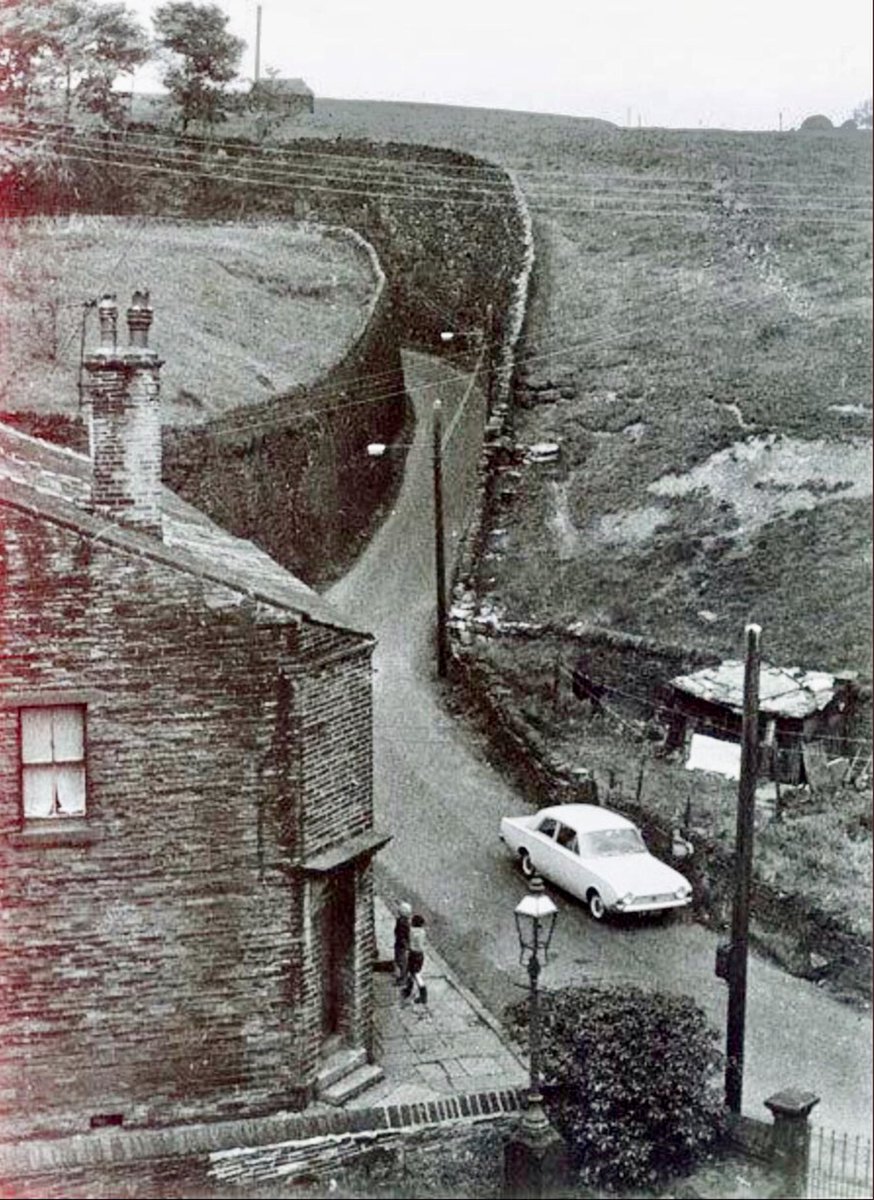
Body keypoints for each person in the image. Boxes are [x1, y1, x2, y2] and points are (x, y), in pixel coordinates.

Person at [403, 914, 427, 1005]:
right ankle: (409, 989)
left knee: (415, 974)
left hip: (413, 954)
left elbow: (409, 941)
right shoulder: (422, 932)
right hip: (420, 955)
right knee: (413, 972)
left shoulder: (412, 931)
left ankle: (422, 994)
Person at [393, 901, 411, 987]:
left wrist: (405, 944)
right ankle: (402, 976)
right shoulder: (403, 922)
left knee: (401, 961)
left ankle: (403, 978)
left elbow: (403, 935)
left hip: (401, 944)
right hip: (400, 943)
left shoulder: (403, 923)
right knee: (399, 959)